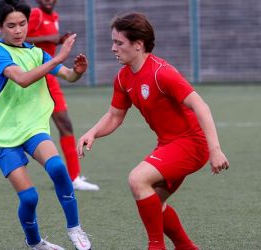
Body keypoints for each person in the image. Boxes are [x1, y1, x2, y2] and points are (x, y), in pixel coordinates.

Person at [77, 12, 229, 250]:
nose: (113, 48)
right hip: (168, 145)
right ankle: (186, 246)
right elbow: (115, 115)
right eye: (113, 42)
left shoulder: (161, 73)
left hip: (191, 143)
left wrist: (216, 150)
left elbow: (201, 106)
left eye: (119, 42)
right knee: (153, 203)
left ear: (138, 44)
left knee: (138, 180)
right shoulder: (123, 77)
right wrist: (93, 132)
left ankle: (156, 246)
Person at [0, 0, 99, 191]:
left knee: (65, 124)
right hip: (26, 71)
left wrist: (68, 60)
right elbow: (23, 42)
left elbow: (51, 55)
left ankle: (73, 177)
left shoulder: (54, 16)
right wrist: (53, 38)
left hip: (48, 73)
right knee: (10, 122)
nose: (49, 0)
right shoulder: (34, 15)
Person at [0, 0, 92, 249]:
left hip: (33, 129)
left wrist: (78, 71)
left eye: (22, 24)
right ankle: (35, 244)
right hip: (4, 135)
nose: (18, 30)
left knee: (59, 169)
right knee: (29, 198)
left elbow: (68, 76)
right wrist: (59, 57)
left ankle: (75, 228)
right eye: (11, 26)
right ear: (0, 27)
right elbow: (22, 79)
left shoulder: (37, 53)